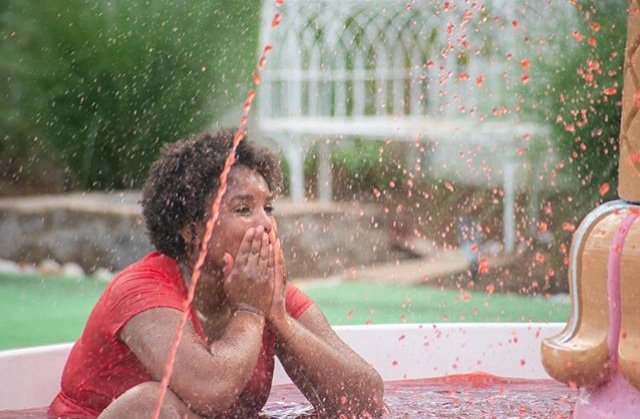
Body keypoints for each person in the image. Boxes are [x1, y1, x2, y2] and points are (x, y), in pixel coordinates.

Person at [48, 130, 385, 418]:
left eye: (268, 208)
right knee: (151, 403)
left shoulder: (266, 291)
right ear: (191, 229)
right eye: (243, 209)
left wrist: (278, 316)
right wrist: (251, 312)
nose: (266, 224)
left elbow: (365, 402)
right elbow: (210, 389)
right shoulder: (141, 289)